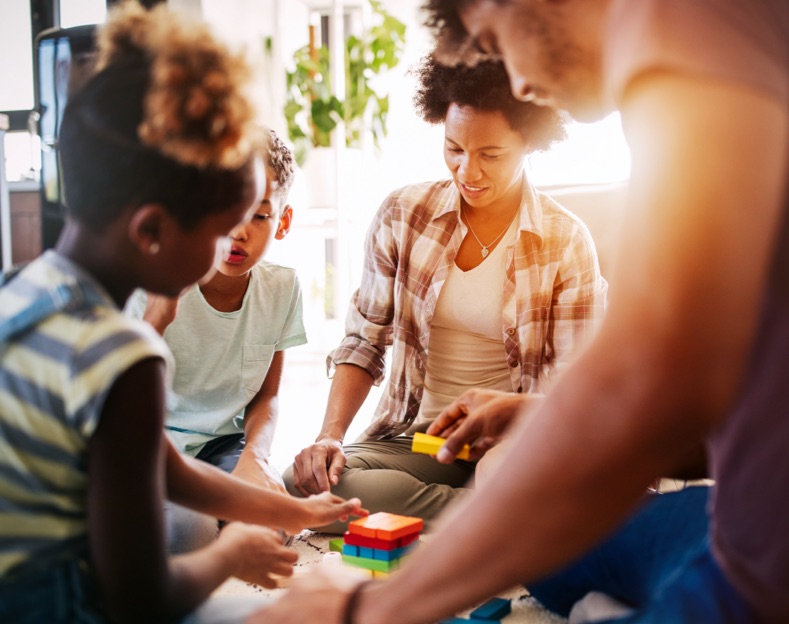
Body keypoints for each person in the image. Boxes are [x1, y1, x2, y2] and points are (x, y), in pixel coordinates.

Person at [248, 0, 788, 623]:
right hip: (727, 516)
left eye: (491, 33)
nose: (524, 83)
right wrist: (531, 415)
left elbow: (643, 390)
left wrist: (378, 606)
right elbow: (698, 413)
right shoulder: (704, 52)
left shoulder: (684, 27)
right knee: (552, 558)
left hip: (762, 558)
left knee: (538, 519)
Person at [0, 3, 364, 623]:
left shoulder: (22, 294)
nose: (230, 247)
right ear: (152, 231)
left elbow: (163, 467)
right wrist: (230, 557)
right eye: (220, 230)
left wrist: (294, 513)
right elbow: (142, 600)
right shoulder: (125, 359)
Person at [284, 54, 607, 531]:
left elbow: (574, 390)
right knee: (305, 483)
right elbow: (364, 342)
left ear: (529, 143)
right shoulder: (403, 214)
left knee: (502, 471)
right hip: (413, 439)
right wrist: (328, 437)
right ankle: (492, 520)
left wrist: (508, 435)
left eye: (490, 155)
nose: (467, 171)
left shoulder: (566, 241)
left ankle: (485, 508)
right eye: (454, 148)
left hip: (513, 444)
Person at [127, 129, 304, 551]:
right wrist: (159, 310)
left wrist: (254, 459)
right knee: (190, 531)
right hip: (155, 444)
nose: (240, 231)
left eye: (259, 215)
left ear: (282, 222)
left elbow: (267, 396)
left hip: (225, 445)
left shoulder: (282, 287)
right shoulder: (156, 281)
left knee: (271, 525)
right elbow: (121, 392)